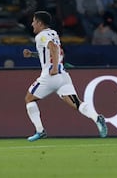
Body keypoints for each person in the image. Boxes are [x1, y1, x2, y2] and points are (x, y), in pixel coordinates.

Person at [23, 11, 108, 141]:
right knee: (77, 103)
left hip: (50, 76)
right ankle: (97, 117)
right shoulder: (54, 33)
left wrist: (55, 67)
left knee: (29, 99)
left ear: (40, 23)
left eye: (34, 21)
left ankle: (40, 131)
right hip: (63, 77)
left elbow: (53, 49)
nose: (32, 24)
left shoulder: (41, 36)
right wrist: (33, 54)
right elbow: (52, 52)